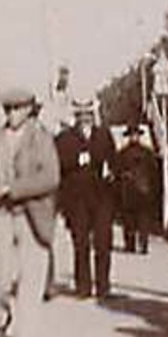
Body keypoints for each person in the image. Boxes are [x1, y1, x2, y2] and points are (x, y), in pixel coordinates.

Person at [0, 87, 60, 337]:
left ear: (28, 109)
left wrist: (11, 188)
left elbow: (50, 178)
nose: (11, 114)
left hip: (31, 216)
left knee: (31, 280)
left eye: (16, 108)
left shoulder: (42, 140)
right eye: (7, 109)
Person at [55, 99, 117, 300]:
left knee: (103, 243)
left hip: (102, 198)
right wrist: (78, 160)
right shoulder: (65, 138)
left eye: (88, 113)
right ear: (76, 116)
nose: (85, 117)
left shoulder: (103, 135)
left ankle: (103, 287)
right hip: (76, 200)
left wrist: (111, 172)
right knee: (80, 244)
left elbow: (112, 160)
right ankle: (83, 287)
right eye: (81, 114)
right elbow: (60, 164)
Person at [113, 125, 159, 254]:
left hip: (135, 190)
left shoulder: (129, 153)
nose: (134, 137)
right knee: (134, 219)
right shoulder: (144, 153)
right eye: (132, 135)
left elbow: (153, 173)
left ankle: (137, 244)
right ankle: (134, 244)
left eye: (136, 135)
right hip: (138, 190)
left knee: (136, 219)